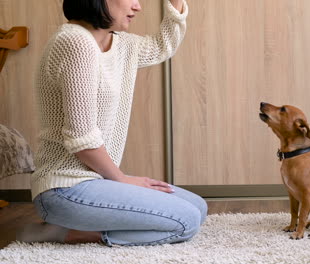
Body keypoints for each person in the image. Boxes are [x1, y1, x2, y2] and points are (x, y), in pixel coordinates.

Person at [17, 0, 207, 246]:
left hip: (95, 182)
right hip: (64, 189)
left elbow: (161, 47)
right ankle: (64, 232)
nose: (137, 6)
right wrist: (122, 179)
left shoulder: (118, 43)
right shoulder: (75, 41)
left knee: (197, 208)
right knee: (186, 222)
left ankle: (75, 222)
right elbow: (81, 139)